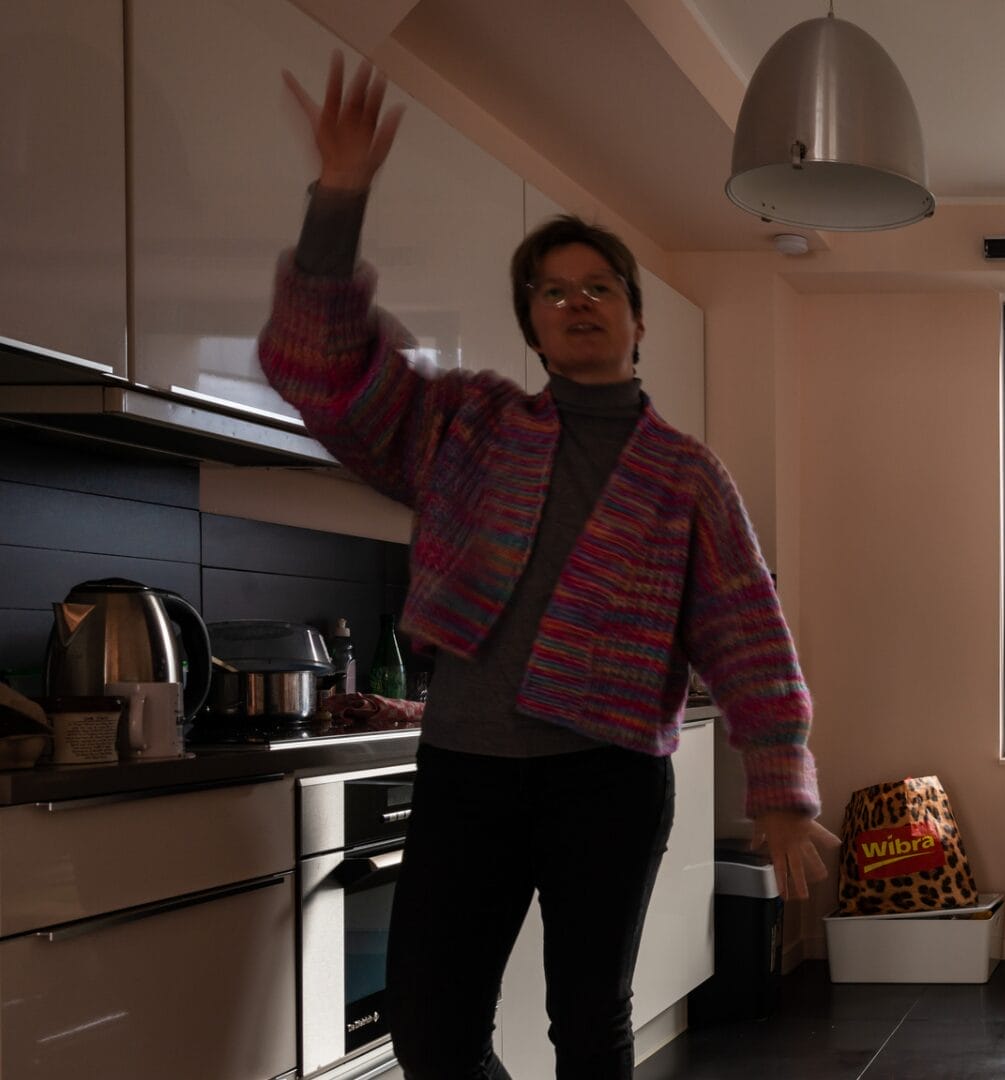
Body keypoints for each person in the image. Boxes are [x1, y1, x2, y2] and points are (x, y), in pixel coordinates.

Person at [265, 54, 837, 1078]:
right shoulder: (465, 424)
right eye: (554, 291)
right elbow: (324, 369)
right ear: (531, 322)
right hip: (466, 771)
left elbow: (748, 633)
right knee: (432, 1029)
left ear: (637, 318)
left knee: (588, 1023)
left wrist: (782, 786)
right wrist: (338, 199)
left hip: (608, 782)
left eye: (600, 288)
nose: (578, 303)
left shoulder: (685, 475)